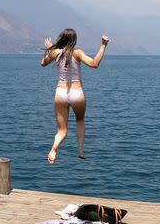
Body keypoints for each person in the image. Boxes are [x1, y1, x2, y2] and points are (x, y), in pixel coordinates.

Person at [40, 28, 109, 163]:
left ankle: (54, 149)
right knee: (80, 121)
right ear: (74, 41)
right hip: (77, 93)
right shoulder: (77, 53)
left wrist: (49, 50)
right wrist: (103, 45)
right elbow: (94, 64)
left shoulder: (55, 53)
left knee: (62, 131)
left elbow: (42, 63)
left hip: (60, 93)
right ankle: (80, 150)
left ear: (62, 39)